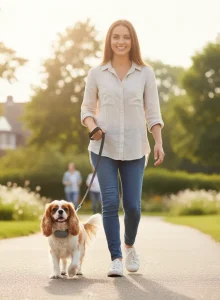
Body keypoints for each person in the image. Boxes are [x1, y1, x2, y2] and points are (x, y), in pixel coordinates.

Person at [80, 19, 165, 277]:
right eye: (115, 36)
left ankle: (129, 245)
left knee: (133, 206)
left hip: (135, 147)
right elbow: (85, 110)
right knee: (109, 202)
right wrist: (93, 125)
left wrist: (158, 141)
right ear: (109, 41)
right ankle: (115, 257)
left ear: (132, 41)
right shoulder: (96, 73)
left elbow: (153, 111)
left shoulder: (145, 73)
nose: (120, 41)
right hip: (103, 147)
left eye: (125, 37)